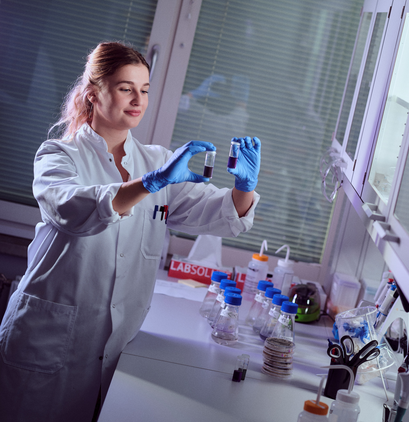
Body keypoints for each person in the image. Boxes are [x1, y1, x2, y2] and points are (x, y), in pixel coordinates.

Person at [0, 42, 261, 422]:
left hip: (114, 343)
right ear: (94, 93)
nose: (138, 99)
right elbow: (73, 209)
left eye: (145, 90)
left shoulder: (156, 160)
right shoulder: (58, 155)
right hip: (47, 338)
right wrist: (149, 185)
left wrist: (244, 188)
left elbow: (215, 212)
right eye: (126, 88)